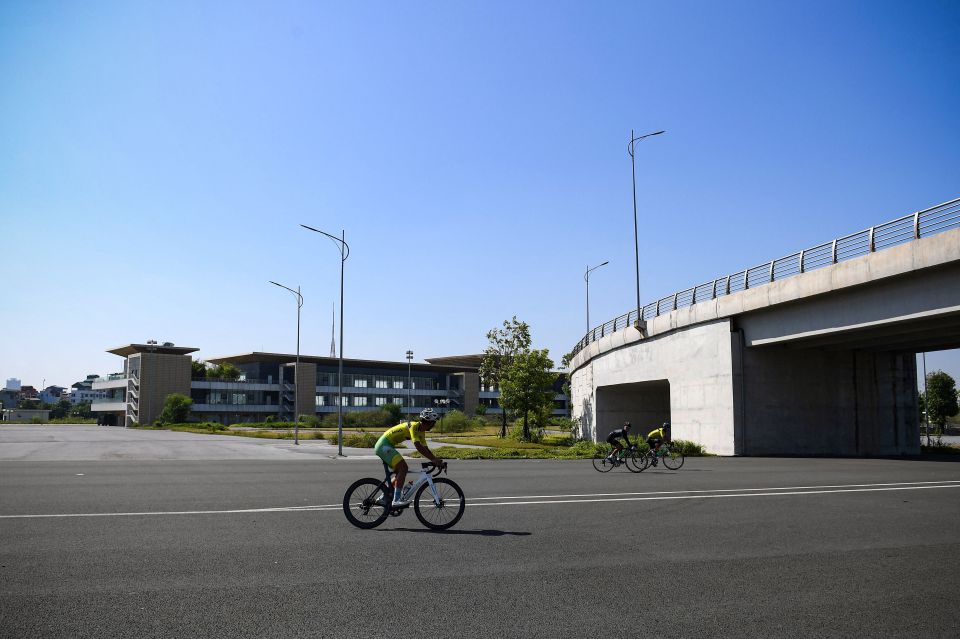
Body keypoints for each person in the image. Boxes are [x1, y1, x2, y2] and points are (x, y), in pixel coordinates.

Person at [374, 407, 445, 507]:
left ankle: (383, 496)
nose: (434, 425)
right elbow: (418, 446)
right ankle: (396, 500)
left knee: (400, 472)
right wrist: (433, 459)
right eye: (433, 422)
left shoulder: (421, 432)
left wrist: (435, 459)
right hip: (383, 445)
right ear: (429, 422)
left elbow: (425, 448)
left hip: (386, 446)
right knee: (403, 468)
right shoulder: (414, 426)